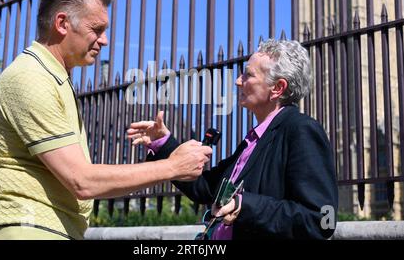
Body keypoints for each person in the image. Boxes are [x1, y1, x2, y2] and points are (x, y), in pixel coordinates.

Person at [0, 0, 212, 240]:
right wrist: (172, 167)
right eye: (97, 29)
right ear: (62, 23)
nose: (105, 41)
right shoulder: (31, 78)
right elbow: (82, 180)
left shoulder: (53, 78)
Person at [127, 39, 338, 239]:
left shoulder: (301, 130)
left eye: (248, 75)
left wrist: (244, 205)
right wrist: (163, 144)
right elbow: (206, 188)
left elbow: (321, 220)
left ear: (278, 88)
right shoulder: (255, 139)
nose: (238, 81)